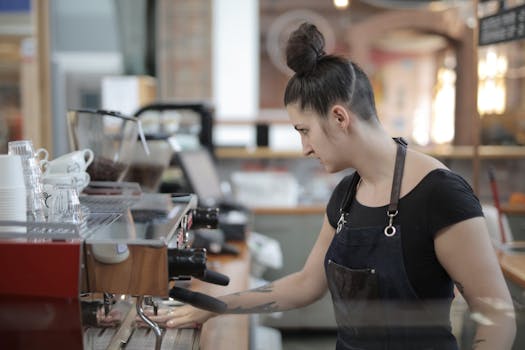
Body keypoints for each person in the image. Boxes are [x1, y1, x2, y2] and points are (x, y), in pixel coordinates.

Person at [141, 23, 516, 349]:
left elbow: (497, 315)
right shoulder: (346, 196)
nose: (304, 148)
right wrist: (218, 307)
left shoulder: (441, 195)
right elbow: (306, 283)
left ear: (339, 117)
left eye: (304, 131)